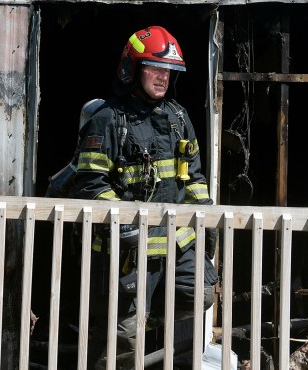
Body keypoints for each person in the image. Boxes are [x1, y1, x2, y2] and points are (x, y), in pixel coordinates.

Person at [69, 26, 219, 369]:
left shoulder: (179, 119)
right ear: (131, 69)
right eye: (154, 68)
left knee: (202, 292)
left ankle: (148, 311)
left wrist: (205, 221)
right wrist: (124, 225)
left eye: (168, 71)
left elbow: (193, 179)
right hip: (127, 253)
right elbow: (90, 185)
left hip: (175, 244)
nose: (162, 77)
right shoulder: (108, 119)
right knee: (123, 340)